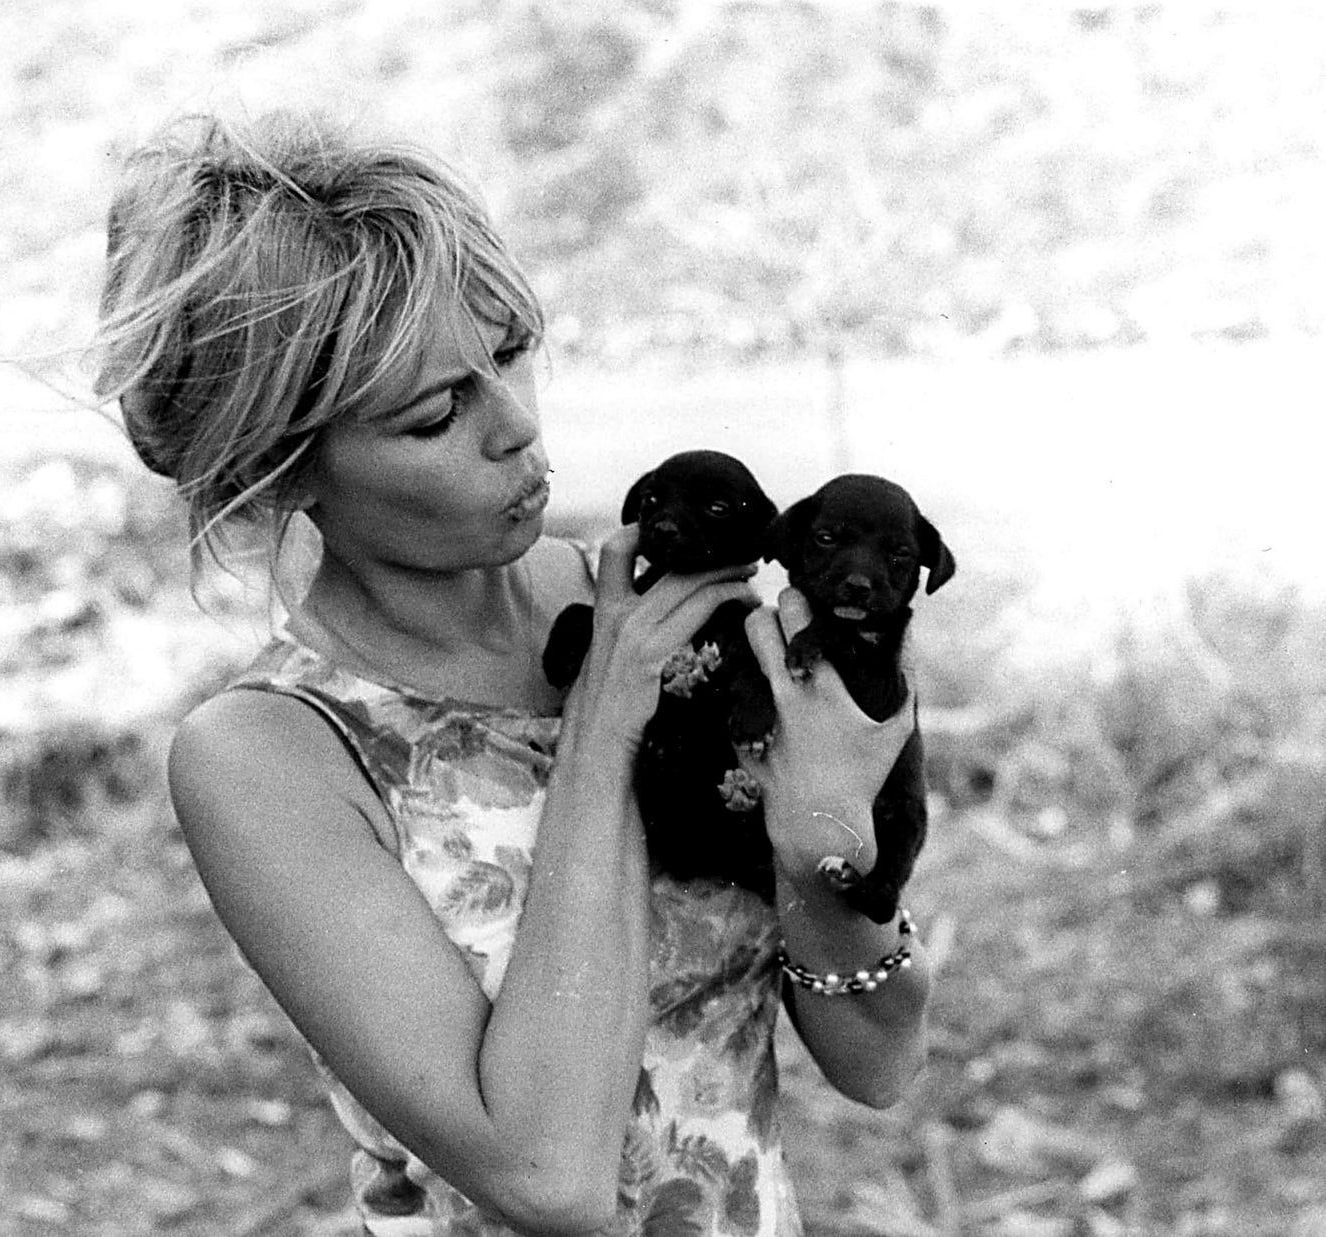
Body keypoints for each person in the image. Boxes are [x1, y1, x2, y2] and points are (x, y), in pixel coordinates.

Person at [95, 110, 930, 1237]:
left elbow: (877, 1059)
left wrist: (822, 849)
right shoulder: (271, 754)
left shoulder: (663, 603)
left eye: (508, 352)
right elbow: (546, 1176)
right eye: (435, 411)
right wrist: (605, 720)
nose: (518, 431)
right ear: (280, 466)